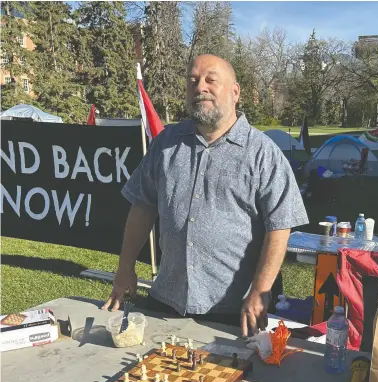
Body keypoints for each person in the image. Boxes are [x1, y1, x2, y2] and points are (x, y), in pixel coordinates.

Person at [102, 54, 309, 337]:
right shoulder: (166, 143)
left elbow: (280, 226)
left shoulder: (263, 154)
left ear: (235, 92)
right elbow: (142, 206)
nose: (200, 87)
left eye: (211, 80)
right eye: (193, 81)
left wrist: (260, 290)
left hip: (232, 311)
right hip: (166, 301)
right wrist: (125, 267)